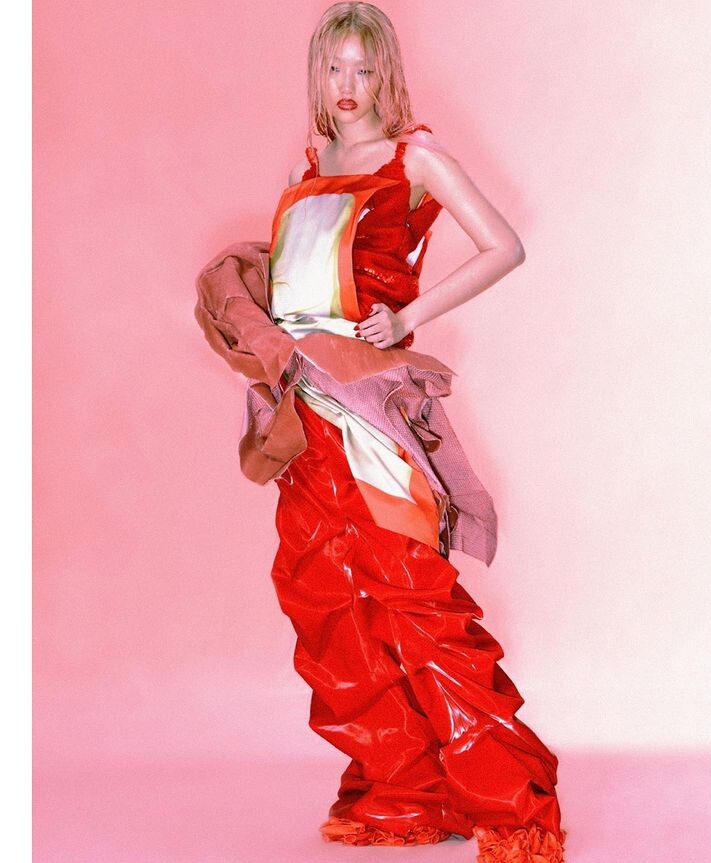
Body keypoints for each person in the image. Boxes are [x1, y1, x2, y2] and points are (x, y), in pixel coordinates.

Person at [197, 3, 568, 861]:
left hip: (365, 409)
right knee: (329, 597)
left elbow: (504, 246)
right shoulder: (312, 161)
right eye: (335, 68)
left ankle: (511, 800)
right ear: (317, 73)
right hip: (305, 408)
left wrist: (407, 318)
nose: (349, 85)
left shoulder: (416, 158)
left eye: (364, 69)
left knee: (410, 592)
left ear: (386, 74)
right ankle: (405, 788)